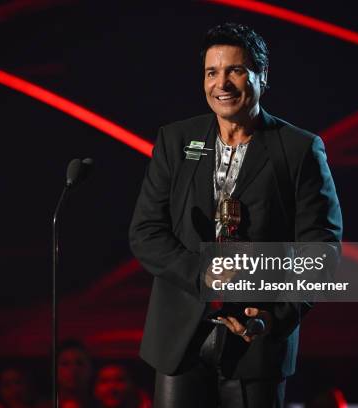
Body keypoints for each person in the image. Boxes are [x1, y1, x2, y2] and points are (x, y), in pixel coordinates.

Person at [129, 22, 342, 407]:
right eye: (212, 72)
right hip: (179, 341)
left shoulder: (299, 149)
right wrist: (200, 272)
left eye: (236, 70)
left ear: (263, 77)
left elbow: (322, 249)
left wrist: (275, 316)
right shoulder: (176, 140)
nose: (221, 84)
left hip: (257, 344)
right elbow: (145, 232)